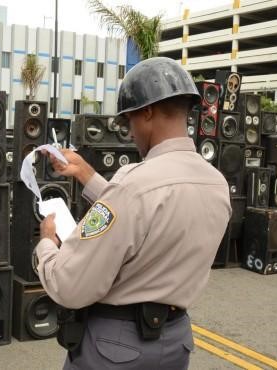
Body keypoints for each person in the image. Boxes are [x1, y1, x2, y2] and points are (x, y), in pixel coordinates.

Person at [37, 57, 232, 369]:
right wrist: (87, 174)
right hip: (176, 341)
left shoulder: (133, 184)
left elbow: (69, 286)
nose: (129, 133)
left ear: (147, 112)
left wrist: (46, 244)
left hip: (116, 347)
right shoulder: (216, 183)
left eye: (128, 122)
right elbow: (151, 217)